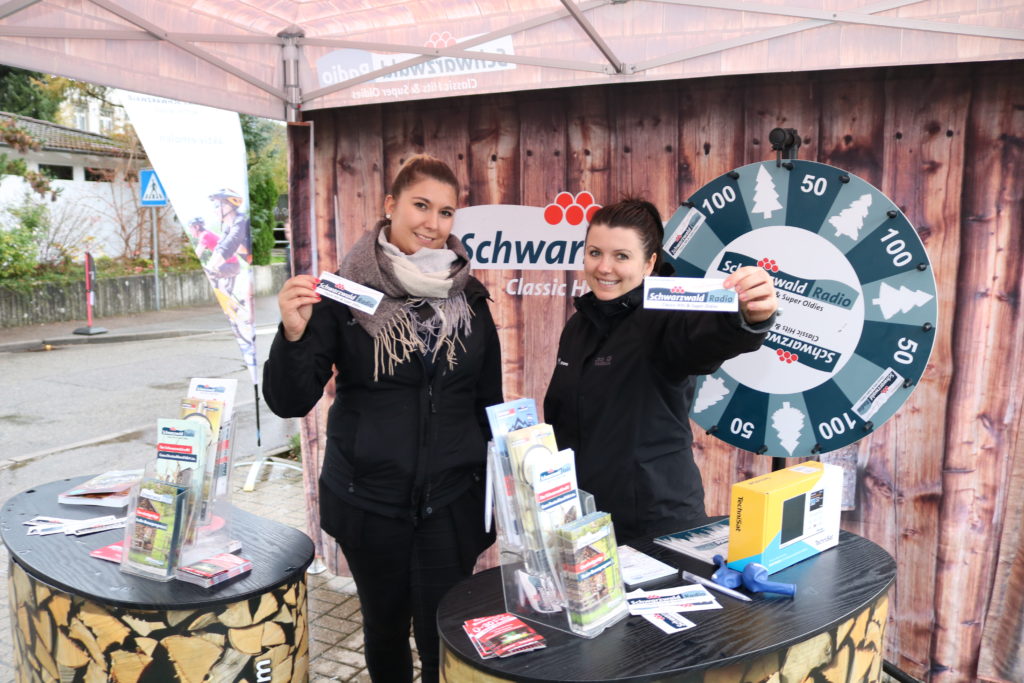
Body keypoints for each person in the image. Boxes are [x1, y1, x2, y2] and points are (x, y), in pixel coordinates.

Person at [262, 154, 501, 683]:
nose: (433, 224)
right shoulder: (345, 297)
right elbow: (290, 399)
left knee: (444, 635)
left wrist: (500, 490)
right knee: (385, 631)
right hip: (371, 504)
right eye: (421, 205)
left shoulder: (472, 302)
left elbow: (491, 408)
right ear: (390, 205)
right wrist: (294, 334)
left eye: (445, 212)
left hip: (450, 506)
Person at [543, 198, 778, 543]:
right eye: (595, 252)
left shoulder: (667, 317)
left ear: (650, 263)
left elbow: (705, 339)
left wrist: (750, 317)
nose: (604, 267)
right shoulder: (580, 325)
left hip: (657, 523)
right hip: (587, 523)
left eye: (621, 256)